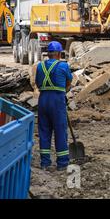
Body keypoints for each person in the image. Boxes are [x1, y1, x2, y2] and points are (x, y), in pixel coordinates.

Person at [35, 41, 73, 171]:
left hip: (43, 100)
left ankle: (45, 163)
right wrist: (64, 91)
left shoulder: (40, 66)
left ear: (48, 54)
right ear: (59, 54)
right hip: (57, 100)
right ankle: (62, 163)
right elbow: (69, 82)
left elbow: (38, 84)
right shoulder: (63, 66)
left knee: (44, 131)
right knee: (60, 131)